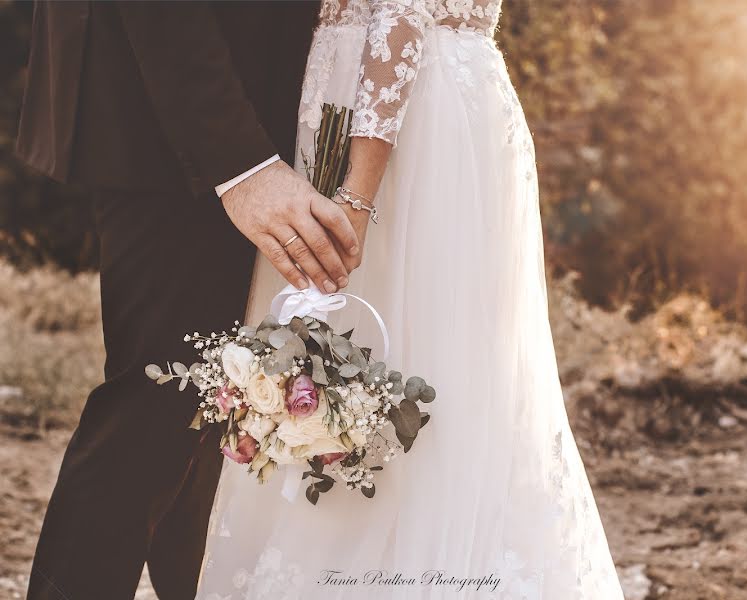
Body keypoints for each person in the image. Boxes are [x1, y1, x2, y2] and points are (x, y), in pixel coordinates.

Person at [198, 1, 624, 598]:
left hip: (398, 116)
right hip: (424, 94)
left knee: (381, 341)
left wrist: (357, 195)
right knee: (417, 358)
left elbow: (401, 12)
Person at [15, 2, 367, 598]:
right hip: (177, 117)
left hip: (273, 114)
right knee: (161, 409)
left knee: (217, 428)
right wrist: (240, 164)